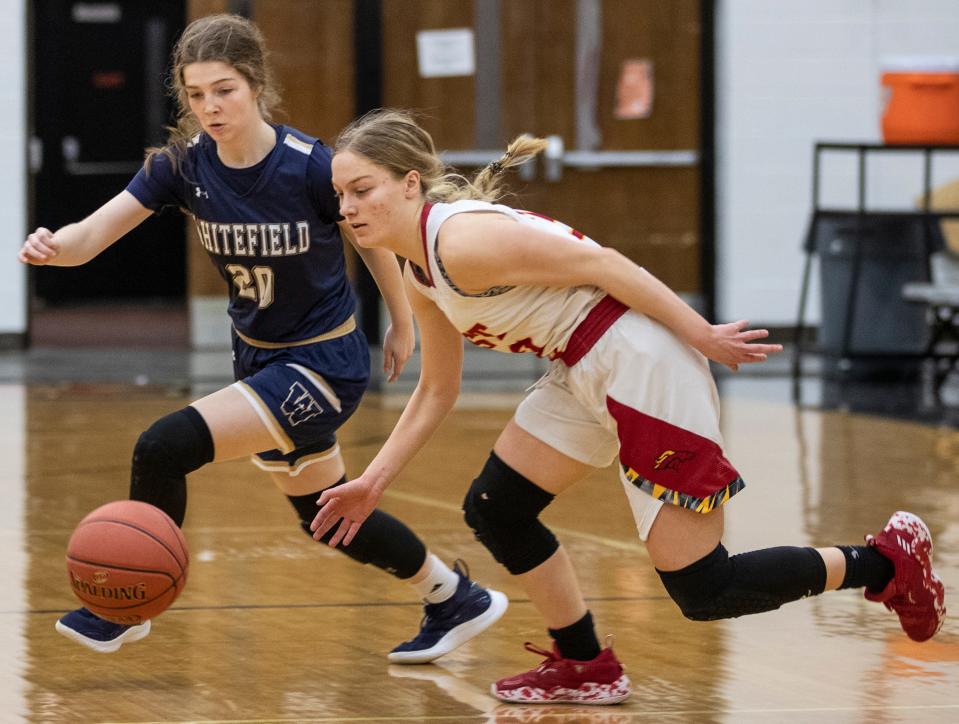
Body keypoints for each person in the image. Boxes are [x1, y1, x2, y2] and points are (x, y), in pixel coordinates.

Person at [309, 108, 947, 705]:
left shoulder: (464, 243)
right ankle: (585, 665)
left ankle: (886, 561)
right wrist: (371, 483)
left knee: (704, 589)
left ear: (410, 184)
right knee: (497, 507)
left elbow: (602, 262)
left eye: (363, 189)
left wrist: (700, 333)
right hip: (582, 368)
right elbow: (437, 390)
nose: (350, 206)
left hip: (639, 363)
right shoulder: (420, 265)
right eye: (341, 195)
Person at [18, 16, 506, 661]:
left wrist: (402, 318)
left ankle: (129, 607)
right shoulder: (181, 167)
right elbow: (91, 236)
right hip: (259, 363)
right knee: (323, 518)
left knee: (162, 447)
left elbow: (376, 237)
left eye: (224, 90)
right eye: (195, 95)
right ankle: (452, 596)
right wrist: (53, 248)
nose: (210, 107)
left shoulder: (310, 166)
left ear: (255, 85)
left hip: (323, 365)